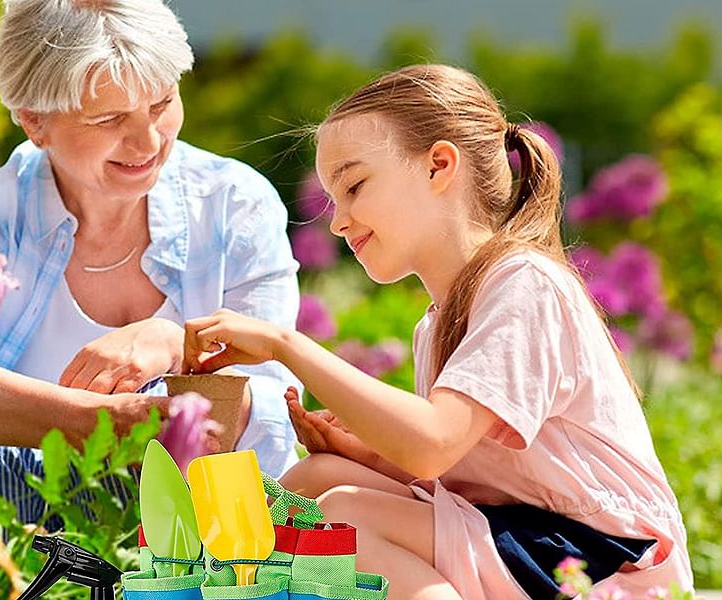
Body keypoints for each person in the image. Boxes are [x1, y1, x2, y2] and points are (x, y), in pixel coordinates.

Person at [183, 65, 693, 599]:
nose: (338, 221)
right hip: (534, 536)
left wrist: (285, 344)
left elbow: (432, 445)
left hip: (609, 563)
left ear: (438, 166)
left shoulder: (525, 282)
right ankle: (224, 586)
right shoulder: (439, 320)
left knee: (343, 515)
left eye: (354, 186)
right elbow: (469, 478)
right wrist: (369, 455)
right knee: (318, 480)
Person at [0, 0, 300, 524]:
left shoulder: (234, 202)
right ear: (34, 121)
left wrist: (176, 343)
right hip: (6, 525)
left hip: (196, 525)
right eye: (108, 118)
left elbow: (266, 410)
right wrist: (103, 423)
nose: (148, 142)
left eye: (160, 104)